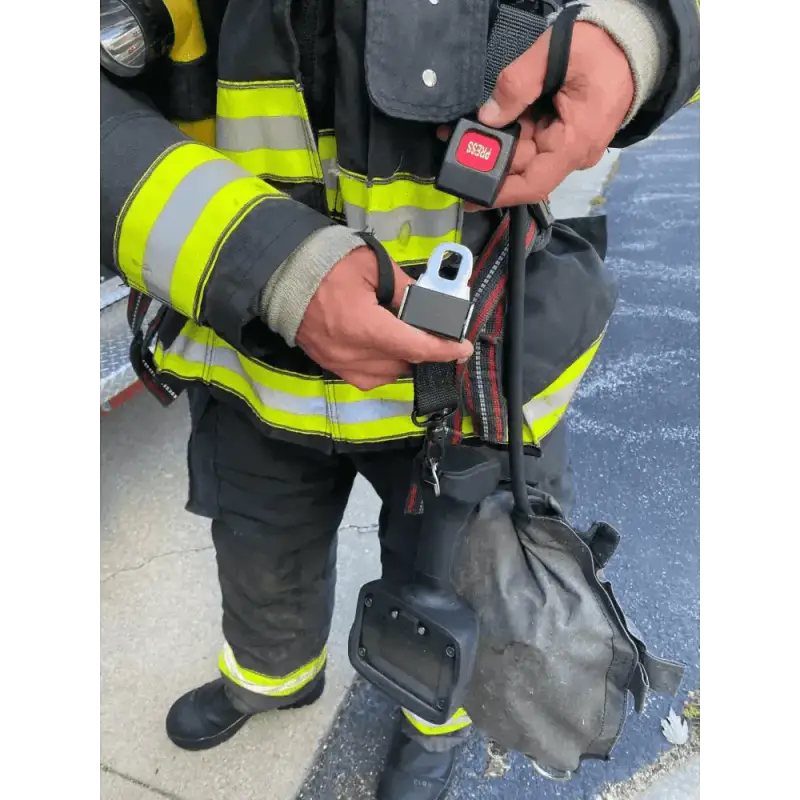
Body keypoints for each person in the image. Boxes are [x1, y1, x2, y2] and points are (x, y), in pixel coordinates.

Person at [98, 0, 701, 798]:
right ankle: (270, 678)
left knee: (457, 585)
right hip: (252, 360)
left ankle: (434, 722)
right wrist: (261, 260)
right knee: (258, 561)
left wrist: (641, 36)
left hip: (473, 381)